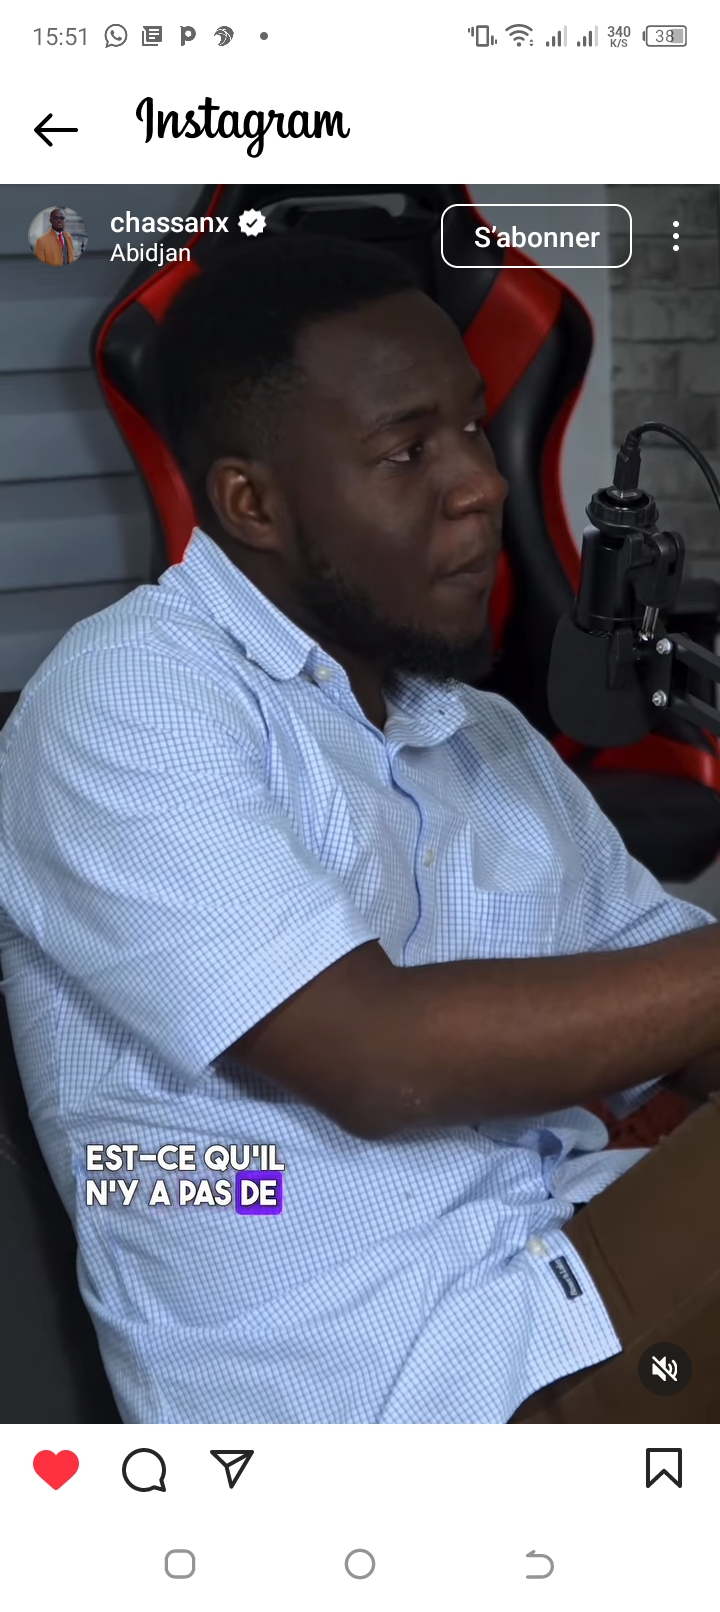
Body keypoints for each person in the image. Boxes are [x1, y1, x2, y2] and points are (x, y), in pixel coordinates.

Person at [1, 234, 720, 1426]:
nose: (482, 483)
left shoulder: (485, 738)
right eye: (408, 450)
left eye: (475, 428)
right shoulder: (131, 695)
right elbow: (379, 1060)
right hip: (412, 1391)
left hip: (573, 1277)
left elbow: (676, 1007)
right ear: (253, 503)